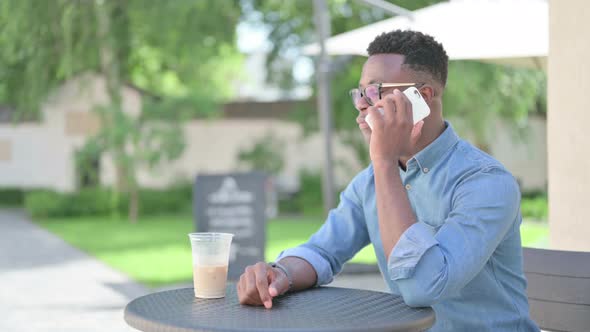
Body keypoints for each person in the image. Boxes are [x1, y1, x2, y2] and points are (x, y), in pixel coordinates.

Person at [237, 30, 539, 331]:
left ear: (421, 97)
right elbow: (322, 251)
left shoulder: (485, 183)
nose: (361, 104)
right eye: (360, 93)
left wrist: (383, 162)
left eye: (375, 91)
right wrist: (280, 274)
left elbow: (424, 287)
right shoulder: (369, 183)